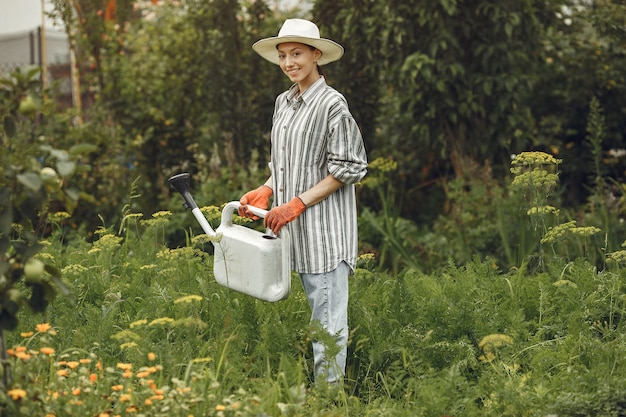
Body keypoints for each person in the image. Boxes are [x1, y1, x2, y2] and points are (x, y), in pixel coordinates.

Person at [238, 18, 368, 385]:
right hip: (293, 228)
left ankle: (329, 400)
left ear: (316, 55)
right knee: (318, 314)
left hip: (325, 231)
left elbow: (350, 167)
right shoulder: (284, 101)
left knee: (327, 321)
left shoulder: (332, 104)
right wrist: (267, 189)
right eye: (282, 56)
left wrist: (295, 204)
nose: (289, 62)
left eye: (297, 53)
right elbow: (285, 163)